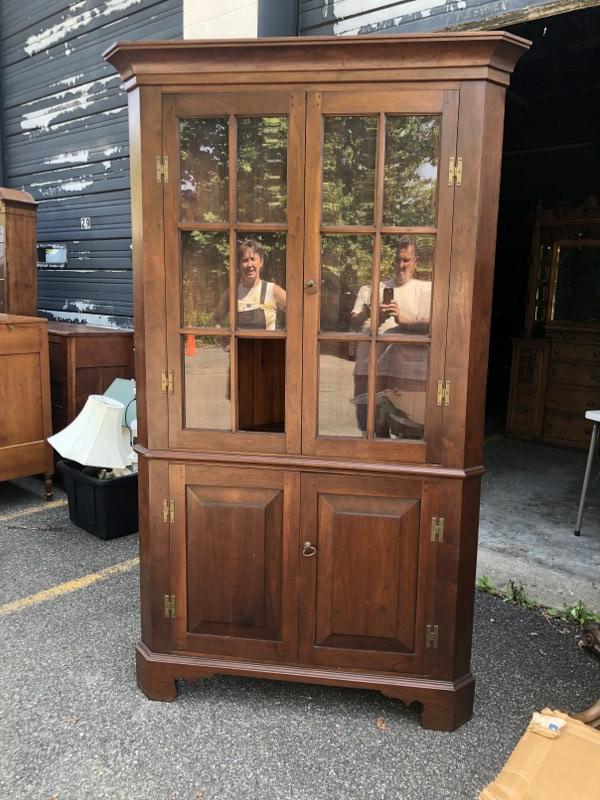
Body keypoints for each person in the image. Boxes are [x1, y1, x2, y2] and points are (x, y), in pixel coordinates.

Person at [350, 235, 431, 438]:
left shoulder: (425, 289)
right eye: (397, 260)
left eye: (406, 260)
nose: (401, 265)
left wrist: (402, 319)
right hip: (369, 369)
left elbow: (433, 325)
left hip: (405, 373)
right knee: (371, 429)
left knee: (409, 430)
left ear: (415, 261)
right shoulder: (370, 289)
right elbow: (353, 322)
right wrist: (373, 313)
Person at [214, 238, 286, 330]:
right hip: (240, 345)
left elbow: (296, 313)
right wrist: (224, 341)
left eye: (253, 259)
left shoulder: (271, 290)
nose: (249, 265)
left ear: (261, 262)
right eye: (245, 260)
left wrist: (285, 340)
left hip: (267, 344)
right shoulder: (233, 292)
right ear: (239, 265)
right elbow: (216, 319)